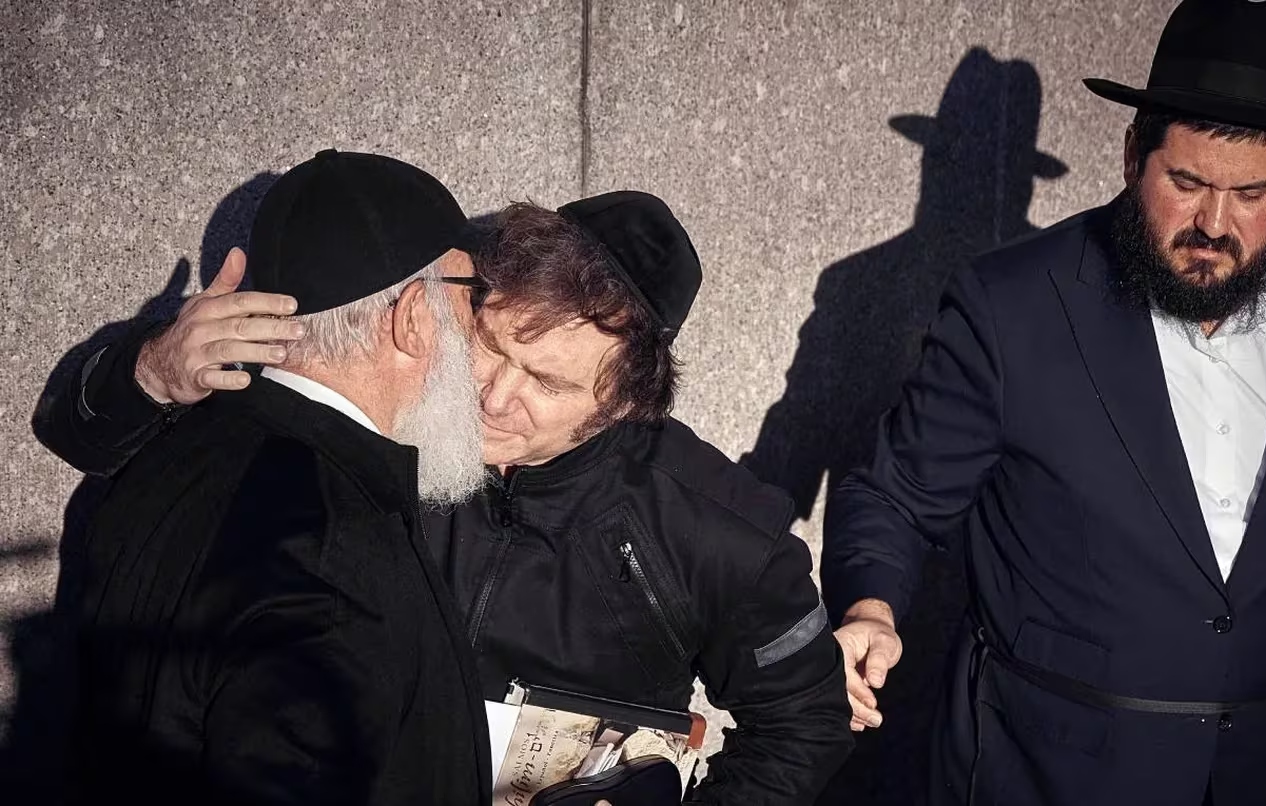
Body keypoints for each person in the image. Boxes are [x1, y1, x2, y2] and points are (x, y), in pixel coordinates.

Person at [36, 190, 853, 803]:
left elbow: (806, 724)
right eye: (491, 348)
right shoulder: (383, 407)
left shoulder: (716, 527)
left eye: (548, 383)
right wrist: (148, 370)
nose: (495, 397)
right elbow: (78, 433)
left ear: (624, 405)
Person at [821, 2, 1266, 805]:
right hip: (1048, 771)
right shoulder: (1013, 305)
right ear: (1131, 156)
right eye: (1187, 183)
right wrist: (870, 609)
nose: (1214, 224)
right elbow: (896, 496)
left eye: (1252, 193)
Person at [60, 150, 494, 804]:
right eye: (470, 295)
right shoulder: (334, 561)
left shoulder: (173, 448)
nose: (477, 327)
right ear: (414, 317)